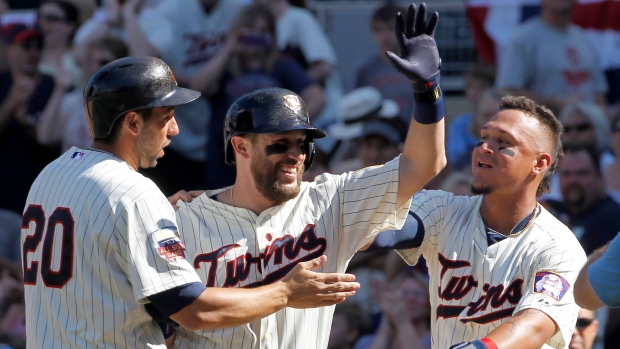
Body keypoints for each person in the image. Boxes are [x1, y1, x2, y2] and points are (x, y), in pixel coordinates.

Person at [21, 56, 360, 349]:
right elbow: (194, 310)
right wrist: (285, 292)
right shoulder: (134, 194)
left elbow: (99, 255)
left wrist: (147, 220)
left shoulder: (50, 175)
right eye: (166, 115)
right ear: (133, 122)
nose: (175, 129)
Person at [171, 3, 446, 348]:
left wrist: (428, 93)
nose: (296, 155)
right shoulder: (184, 219)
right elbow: (174, 321)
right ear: (240, 147)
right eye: (280, 143)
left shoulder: (331, 201)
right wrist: (284, 292)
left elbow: (421, 166)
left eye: (303, 144)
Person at [366, 95, 588, 348]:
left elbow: (536, 324)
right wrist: (427, 100)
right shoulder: (443, 209)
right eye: (483, 138)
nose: (484, 148)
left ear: (539, 163)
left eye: (503, 142)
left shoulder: (558, 246)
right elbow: (378, 231)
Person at [189, 3, 325, 190]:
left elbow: (317, 98)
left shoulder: (281, 65)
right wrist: (229, 49)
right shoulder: (226, 66)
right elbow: (197, 86)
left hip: (270, 157)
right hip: (226, 159)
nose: (256, 35)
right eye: (250, 30)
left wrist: (286, 128)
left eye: (263, 30)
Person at [495, 0, 608, 115]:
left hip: (587, 129)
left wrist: (602, 118)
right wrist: (558, 104)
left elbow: (598, 90)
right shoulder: (524, 38)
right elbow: (508, 91)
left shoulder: (582, 37)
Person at [0, 23, 57, 215]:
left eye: (38, 46)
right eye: (26, 46)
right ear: (9, 49)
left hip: (40, 188)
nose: (33, 52)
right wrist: (11, 103)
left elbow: (54, 141)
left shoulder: (53, 85)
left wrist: (27, 122)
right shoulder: (1, 82)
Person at [542, 144, 620, 255]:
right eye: (566, 174)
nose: (573, 180)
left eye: (582, 173)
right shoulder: (553, 211)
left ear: (599, 176)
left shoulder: (613, 219)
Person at [353, 3, 413, 124]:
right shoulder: (365, 69)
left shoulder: (421, 67)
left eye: (391, 29)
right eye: (379, 30)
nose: (384, 36)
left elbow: (437, 107)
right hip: (377, 138)